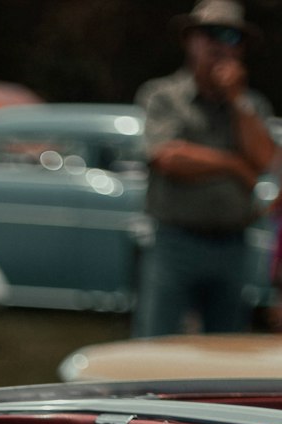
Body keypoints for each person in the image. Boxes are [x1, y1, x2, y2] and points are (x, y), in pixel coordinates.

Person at [133, 0, 276, 337]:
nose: (218, 44)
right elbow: (168, 157)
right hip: (175, 242)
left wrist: (236, 98)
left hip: (233, 243)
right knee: (158, 338)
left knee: (226, 344)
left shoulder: (251, 105)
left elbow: (266, 159)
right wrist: (233, 165)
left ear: (241, 48)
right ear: (189, 40)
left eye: (230, 36)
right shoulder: (163, 95)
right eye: (207, 33)